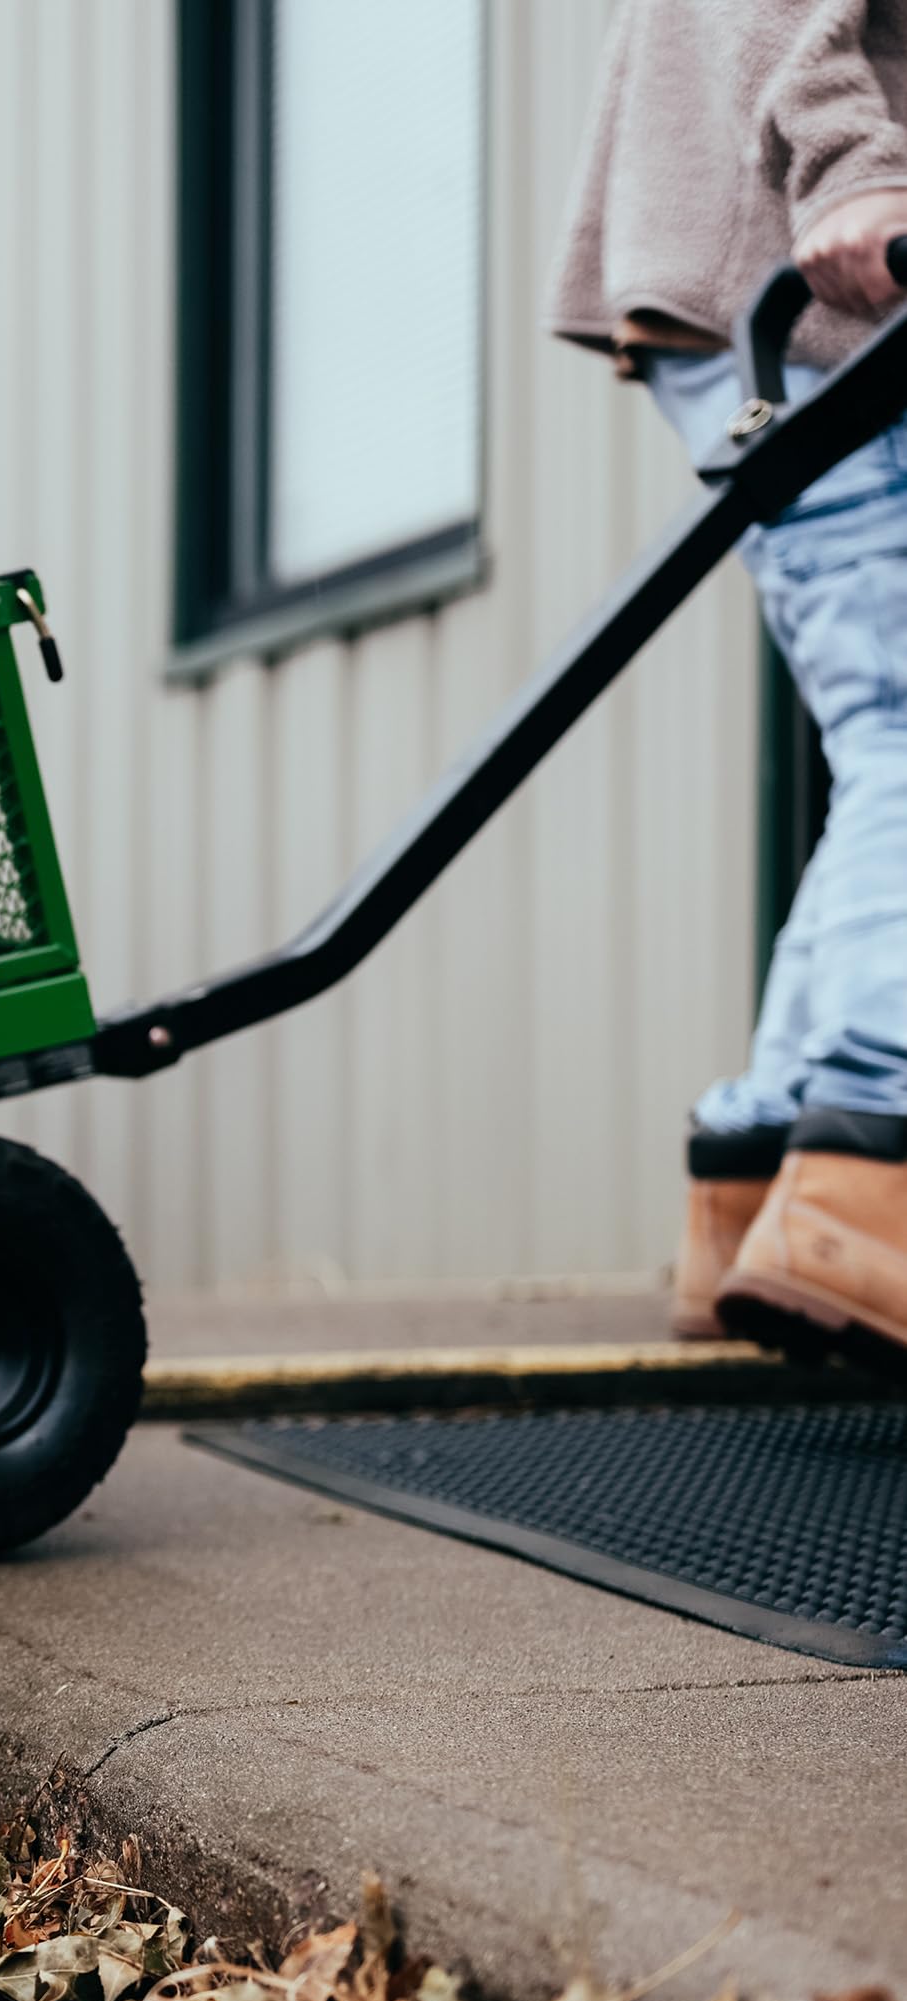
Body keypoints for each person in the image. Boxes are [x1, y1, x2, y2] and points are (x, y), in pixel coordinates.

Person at [551, 0, 907, 1363]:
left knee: (884, 740)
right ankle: (870, 1177)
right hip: (811, 275)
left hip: (734, 273)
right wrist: (858, 165)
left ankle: (757, 1183)